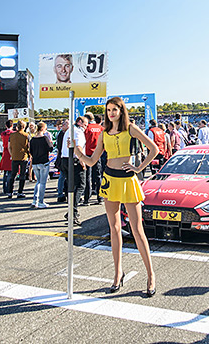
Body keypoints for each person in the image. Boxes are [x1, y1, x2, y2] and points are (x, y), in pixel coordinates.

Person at [73, 97, 159, 297]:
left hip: (128, 180)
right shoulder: (104, 133)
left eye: (115, 109)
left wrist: (139, 168)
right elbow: (93, 161)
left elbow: (153, 149)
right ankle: (117, 273)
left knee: (137, 230)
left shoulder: (130, 128)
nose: (111, 113)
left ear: (121, 111)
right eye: (108, 109)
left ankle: (151, 275)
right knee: (114, 228)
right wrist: (77, 151)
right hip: (110, 180)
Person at [29, 122, 53, 208]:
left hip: (35, 162)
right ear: (43, 129)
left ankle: (35, 200)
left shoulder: (32, 139)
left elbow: (30, 151)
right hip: (44, 162)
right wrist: (51, 143)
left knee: (38, 182)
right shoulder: (45, 138)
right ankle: (41, 201)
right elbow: (50, 148)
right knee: (42, 183)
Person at [84, 113, 104, 205]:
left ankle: (86, 199)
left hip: (88, 154)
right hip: (98, 154)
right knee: (98, 176)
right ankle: (100, 197)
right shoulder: (100, 128)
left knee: (87, 176)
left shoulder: (86, 128)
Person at [8, 121, 31, 199]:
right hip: (23, 156)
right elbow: (29, 146)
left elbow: (9, 146)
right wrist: (30, 155)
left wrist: (12, 154)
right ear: (24, 127)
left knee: (13, 174)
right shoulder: (26, 135)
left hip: (14, 156)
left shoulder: (12, 135)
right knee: (22, 174)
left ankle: (10, 192)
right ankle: (20, 191)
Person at [0, 120, 14, 196]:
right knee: (10, 172)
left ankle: (5, 188)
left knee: (5, 172)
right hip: (10, 152)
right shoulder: (13, 134)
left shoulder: (3, 134)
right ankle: (9, 188)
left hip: (5, 152)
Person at [55, 120, 68, 202]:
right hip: (64, 157)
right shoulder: (62, 134)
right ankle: (61, 194)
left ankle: (61, 193)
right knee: (63, 176)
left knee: (63, 176)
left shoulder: (60, 134)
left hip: (62, 157)